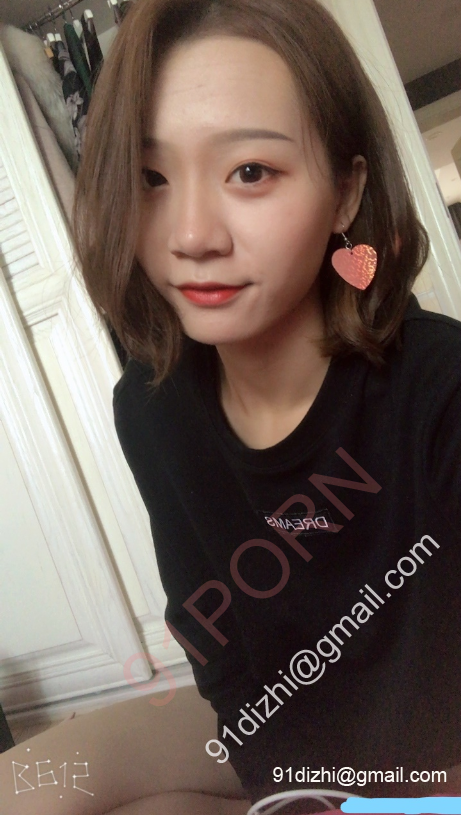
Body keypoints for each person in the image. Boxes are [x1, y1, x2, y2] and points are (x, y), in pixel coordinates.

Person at [2, 0, 461, 813]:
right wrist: (281, 788)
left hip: (428, 763)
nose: (190, 235)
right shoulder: (151, 409)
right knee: (27, 784)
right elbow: (211, 638)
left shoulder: (440, 389)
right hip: (273, 724)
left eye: (249, 172)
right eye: (150, 177)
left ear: (345, 192)